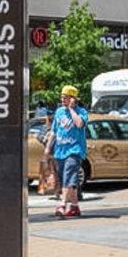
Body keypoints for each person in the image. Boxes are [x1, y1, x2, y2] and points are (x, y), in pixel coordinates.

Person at [49, 84, 88, 219]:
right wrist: (48, 148)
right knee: (68, 180)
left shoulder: (81, 112)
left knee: (68, 177)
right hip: (60, 151)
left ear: (73, 99)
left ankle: (62, 205)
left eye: (65, 97)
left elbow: (79, 124)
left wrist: (71, 109)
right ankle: (75, 207)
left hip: (74, 150)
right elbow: (54, 132)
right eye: (62, 97)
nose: (62, 99)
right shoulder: (59, 112)